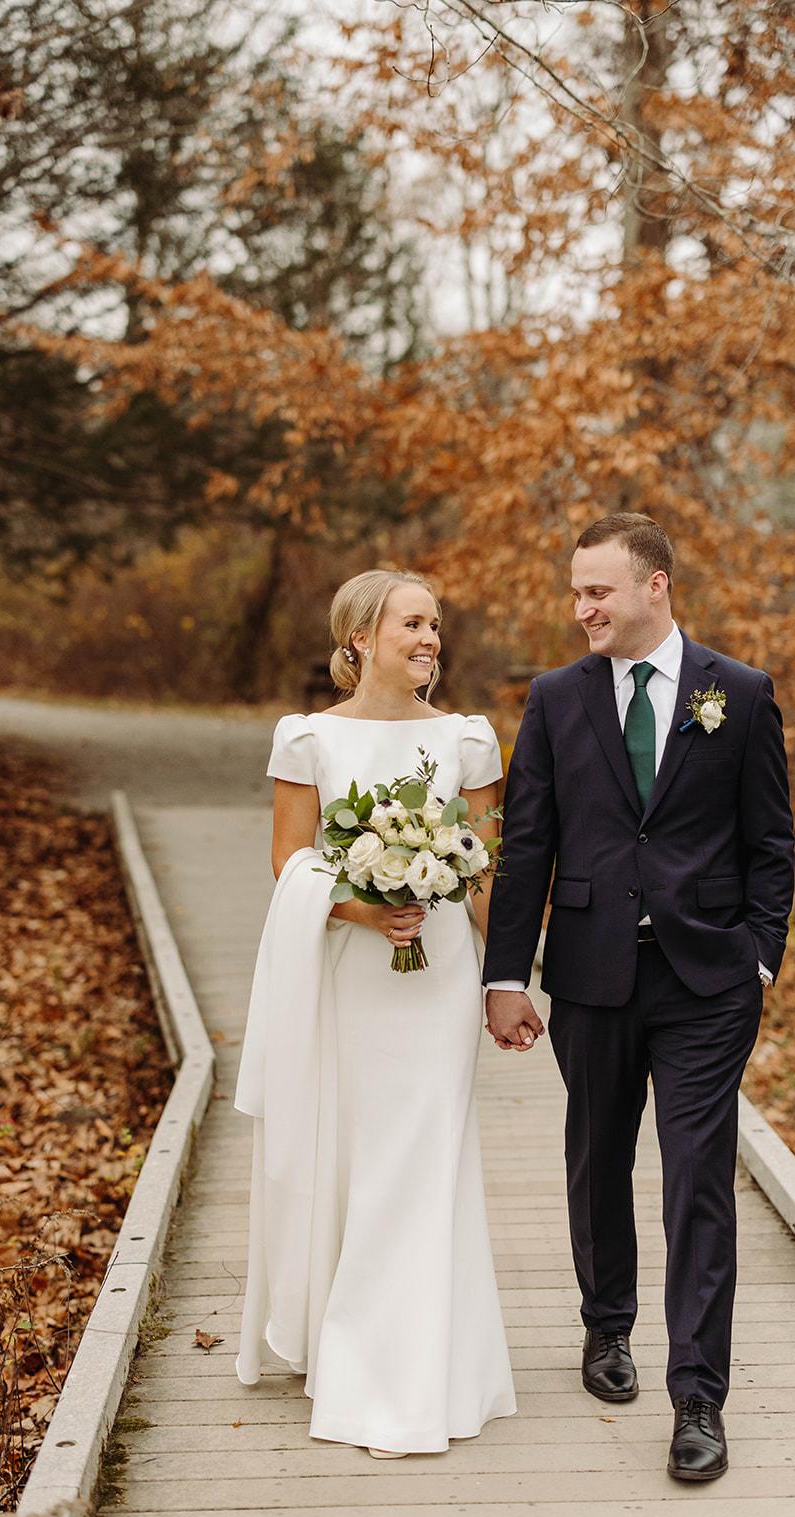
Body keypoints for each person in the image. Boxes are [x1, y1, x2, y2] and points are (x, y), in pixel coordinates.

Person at [483, 512, 794, 1482]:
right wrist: (504, 974)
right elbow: (527, 842)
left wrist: (757, 958)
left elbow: (769, 842)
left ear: (653, 586)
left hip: (707, 979)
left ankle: (697, 1395)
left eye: (597, 591)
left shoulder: (736, 693)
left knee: (697, 1176)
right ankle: (603, 1326)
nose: (581, 608)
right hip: (588, 972)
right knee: (596, 1152)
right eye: (575, 590)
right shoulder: (553, 699)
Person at [234, 568, 516, 1459]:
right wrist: (359, 905)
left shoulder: (470, 739)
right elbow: (288, 858)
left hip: (437, 982)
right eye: (412, 624)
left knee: (422, 1156)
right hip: (350, 974)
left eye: (435, 624)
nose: (430, 638)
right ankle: (346, 1344)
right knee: (359, 1151)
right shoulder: (306, 737)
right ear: (359, 638)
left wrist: (504, 978)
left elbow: (482, 868)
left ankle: (410, 1368)